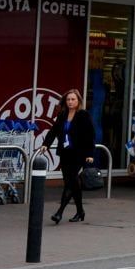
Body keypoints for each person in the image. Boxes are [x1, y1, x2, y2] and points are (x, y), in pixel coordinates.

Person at [44, 88, 96, 224]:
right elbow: (54, 130)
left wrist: (90, 153)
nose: (70, 102)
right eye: (68, 99)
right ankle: (80, 211)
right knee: (72, 183)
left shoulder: (84, 115)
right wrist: (46, 144)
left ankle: (59, 212)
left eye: (73, 99)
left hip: (78, 154)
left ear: (78, 101)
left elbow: (90, 135)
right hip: (65, 153)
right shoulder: (62, 115)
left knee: (70, 182)